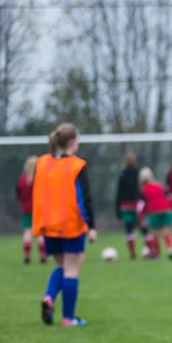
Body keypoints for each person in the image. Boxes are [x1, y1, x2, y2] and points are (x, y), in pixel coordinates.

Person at [32, 123, 97, 326]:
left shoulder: (42, 163)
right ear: (71, 143)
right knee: (72, 268)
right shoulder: (77, 165)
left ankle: (49, 297)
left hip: (48, 224)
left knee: (61, 265)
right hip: (71, 224)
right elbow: (84, 199)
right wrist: (92, 226)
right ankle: (68, 318)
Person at [115, 151, 150, 259]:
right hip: (137, 205)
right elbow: (143, 190)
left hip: (125, 206)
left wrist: (117, 209)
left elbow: (119, 193)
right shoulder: (139, 173)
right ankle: (151, 251)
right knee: (144, 229)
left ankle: (132, 253)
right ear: (135, 161)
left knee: (129, 230)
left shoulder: (122, 174)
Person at [139, 167, 172, 259]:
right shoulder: (159, 185)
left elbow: (142, 205)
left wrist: (141, 217)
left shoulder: (142, 190)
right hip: (165, 209)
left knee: (154, 233)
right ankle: (170, 249)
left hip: (153, 212)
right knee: (166, 230)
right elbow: (169, 197)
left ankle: (157, 254)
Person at [16, 155, 47, 264]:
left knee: (28, 231)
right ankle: (43, 256)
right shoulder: (41, 178)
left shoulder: (22, 179)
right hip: (39, 209)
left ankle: (26, 256)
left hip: (26, 209)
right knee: (40, 232)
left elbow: (18, 195)